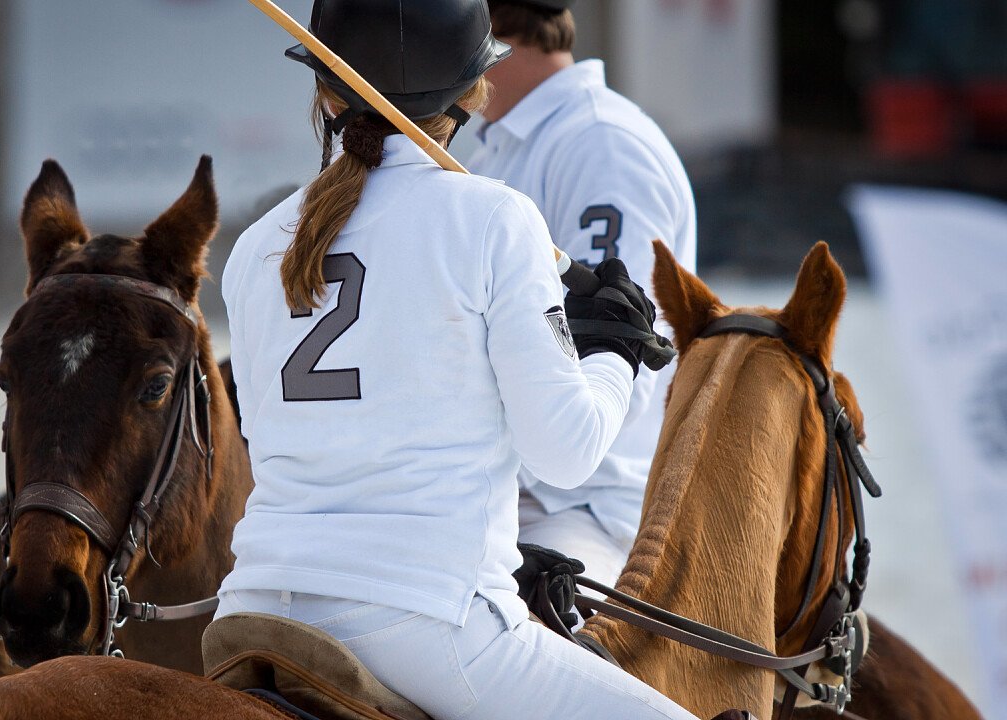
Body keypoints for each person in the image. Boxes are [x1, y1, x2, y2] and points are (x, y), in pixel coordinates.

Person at [213, 1, 702, 718]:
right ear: (474, 93)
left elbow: (266, 437)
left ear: (324, 93)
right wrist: (613, 352)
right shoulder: (496, 219)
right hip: (425, 623)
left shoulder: (255, 246)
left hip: (250, 607)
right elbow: (565, 454)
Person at [466, 0, 698, 596]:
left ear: (491, 22)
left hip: (586, 506)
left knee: (535, 622)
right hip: (497, 490)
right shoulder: (495, 141)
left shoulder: (600, 145)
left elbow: (625, 351)